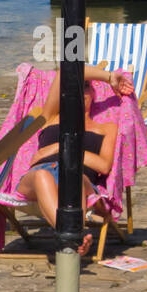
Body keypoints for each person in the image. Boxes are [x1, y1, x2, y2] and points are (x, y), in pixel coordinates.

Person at [14, 64, 132, 256]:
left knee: (72, 177)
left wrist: (63, 148)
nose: (78, 90)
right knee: (42, 175)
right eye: (74, 86)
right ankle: (76, 237)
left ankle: (71, 239)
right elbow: (66, 71)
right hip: (38, 175)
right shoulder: (51, 117)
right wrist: (109, 77)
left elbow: (104, 166)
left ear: (94, 93)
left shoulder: (106, 128)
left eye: (85, 86)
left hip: (80, 176)